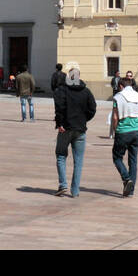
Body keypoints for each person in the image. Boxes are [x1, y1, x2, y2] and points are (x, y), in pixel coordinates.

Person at [53, 63, 97, 197]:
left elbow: (59, 108)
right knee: (78, 161)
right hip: (80, 129)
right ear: (78, 77)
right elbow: (92, 109)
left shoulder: (62, 90)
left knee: (61, 156)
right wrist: (83, 120)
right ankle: (75, 190)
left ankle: (63, 185)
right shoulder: (86, 91)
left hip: (65, 128)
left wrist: (60, 123)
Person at [110, 72, 138, 197]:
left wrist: (115, 131)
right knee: (133, 161)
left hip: (123, 132)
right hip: (136, 132)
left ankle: (126, 179)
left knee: (117, 158)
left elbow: (115, 117)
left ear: (121, 86)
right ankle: (130, 191)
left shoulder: (118, 98)